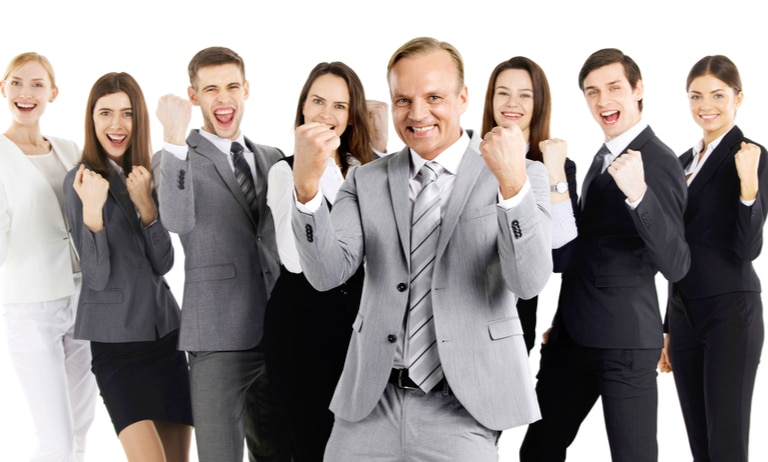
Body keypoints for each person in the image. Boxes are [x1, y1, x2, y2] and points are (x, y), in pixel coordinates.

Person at [292, 36, 553, 461]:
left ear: (463, 97)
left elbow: (528, 282)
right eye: (403, 100)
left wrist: (511, 185)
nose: (417, 114)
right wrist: (306, 189)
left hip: (464, 407)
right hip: (370, 403)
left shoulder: (522, 175)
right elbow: (326, 274)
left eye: (434, 97)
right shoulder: (366, 180)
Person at [519, 48, 690, 462]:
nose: (603, 101)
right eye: (592, 92)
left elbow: (677, 263)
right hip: (572, 338)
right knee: (538, 451)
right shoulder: (601, 156)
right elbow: (583, 247)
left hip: (625, 344)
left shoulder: (660, 161)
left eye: (614, 88)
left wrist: (640, 195)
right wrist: (563, 322)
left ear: (638, 90)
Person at [155, 46, 290, 462]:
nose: (223, 98)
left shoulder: (272, 158)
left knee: (281, 453)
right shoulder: (174, 159)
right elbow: (175, 221)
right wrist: (174, 140)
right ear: (194, 96)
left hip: (280, 332)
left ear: (246, 89)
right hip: (216, 338)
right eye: (210, 89)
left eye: (232, 86)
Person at [63, 72, 193, 462]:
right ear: (92, 119)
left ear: (138, 120)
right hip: (116, 348)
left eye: (126, 114)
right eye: (105, 113)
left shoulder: (145, 175)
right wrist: (92, 212)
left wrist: (147, 207)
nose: (116, 125)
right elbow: (97, 278)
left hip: (164, 338)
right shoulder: (80, 180)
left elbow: (165, 263)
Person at [263, 61, 379, 462]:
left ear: (351, 116)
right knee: (314, 444)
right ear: (303, 107)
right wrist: (307, 182)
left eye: (340, 106)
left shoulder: (363, 169)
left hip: (356, 328)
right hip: (302, 329)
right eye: (318, 101)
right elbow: (295, 260)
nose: (327, 114)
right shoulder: (284, 171)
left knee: (358, 445)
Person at [659, 55, 767, 462]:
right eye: (696, 95)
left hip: (730, 313)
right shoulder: (684, 163)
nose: (707, 105)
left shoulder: (752, 156)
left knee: (726, 445)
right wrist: (670, 326)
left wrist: (749, 185)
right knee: (700, 446)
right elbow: (675, 250)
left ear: (738, 98)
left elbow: (748, 248)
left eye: (718, 95)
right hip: (686, 317)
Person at [0, 52, 97, 462]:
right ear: (3, 88)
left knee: (79, 428)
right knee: (55, 437)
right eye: (17, 82)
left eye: (37, 84)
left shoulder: (68, 148)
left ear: (53, 93)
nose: (27, 93)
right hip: (31, 303)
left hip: (83, 298)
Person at [481, 56, 578, 353]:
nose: (513, 103)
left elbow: (562, 258)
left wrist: (554, 172)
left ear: (539, 104)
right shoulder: (466, 158)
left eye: (525, 95)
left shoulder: (556, 166)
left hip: (513, 324)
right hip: (452, 318)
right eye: (503, 93)